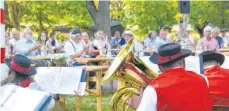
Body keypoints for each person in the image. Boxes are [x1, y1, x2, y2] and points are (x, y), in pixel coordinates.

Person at [137, 43, 213, 111]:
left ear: (160, 67)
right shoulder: (203, 79)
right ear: (184, 63)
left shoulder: (153, 88)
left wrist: (137, 103)